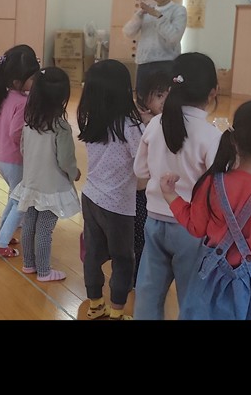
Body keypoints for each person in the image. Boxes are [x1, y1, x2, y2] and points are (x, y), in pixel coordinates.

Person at [160, 97, 251, 320]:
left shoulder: (211, 183)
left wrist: (171, 196)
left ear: (234, 140)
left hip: (209, 290)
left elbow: (196, 226)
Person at [133, 52, 221, 320]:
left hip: (154, 220)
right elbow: (219, 187)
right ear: (213, 92)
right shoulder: (211, 135)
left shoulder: (155, 123)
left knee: (148, 291)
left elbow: (140, 171)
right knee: (192, 296)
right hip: (192, 228)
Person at [76, 59, 142, 319]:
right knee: (123, 258)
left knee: (92, 254)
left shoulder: (91, 119)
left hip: (91, 196)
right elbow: (142, 165)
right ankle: (117, 312)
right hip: (117, 205)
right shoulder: (131, 126)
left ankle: (95, 304)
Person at [10, 66, 81, 282]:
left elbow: (23, 149)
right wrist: (74, 172)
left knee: (30, 223)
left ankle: (28, 264)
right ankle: (44, 271)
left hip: (31, 182)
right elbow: (65, 160)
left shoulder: (30, 122)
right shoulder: (60, 126)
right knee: (44, 229)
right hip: (52, 187)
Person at [0, 45, 40, 258]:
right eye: (32, 78)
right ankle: (1, 242)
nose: (35, 82)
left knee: (14, 197)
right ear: (18, 81)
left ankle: (2, 231)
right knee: (21, 201)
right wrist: (30, 148)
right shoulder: (24, 102)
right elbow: (17, 132)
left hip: (2, 158)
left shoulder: (5, 96)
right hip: (16, 159)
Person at [121, 0, 188, 107]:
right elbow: (128, 32)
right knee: (142, 103)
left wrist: (158, 16)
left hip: (167, 64)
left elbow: (174, 37)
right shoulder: (146, 11)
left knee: (164, 104)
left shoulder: (178, 10)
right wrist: (138, 17)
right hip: (144, 64)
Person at [131, 70, 172, 287]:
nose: (164, 101)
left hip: (157, 191)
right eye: (158, 96)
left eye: (168, 95)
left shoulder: (164, 121)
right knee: (140, 237)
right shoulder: (140, 124)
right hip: (141, 191)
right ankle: (137, 278)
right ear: (144, 99)